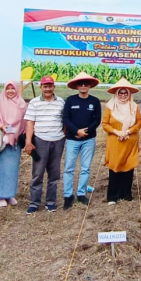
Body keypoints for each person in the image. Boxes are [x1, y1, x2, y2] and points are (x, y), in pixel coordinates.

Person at [24, 76, 66, 213]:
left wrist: (63, 136)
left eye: (50, 86)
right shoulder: (34, 103)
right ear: (41, 87)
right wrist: (28, 142)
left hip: (58, 140)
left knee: (54, 173)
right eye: (45, 86)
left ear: (54, 87)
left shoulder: (61, 102)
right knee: (38, 173)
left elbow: (64, 121)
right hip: (41, 140)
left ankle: (50, 202)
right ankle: (34, 203)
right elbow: (30, 123)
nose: (47, 89)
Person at [0, 80, 27, 207]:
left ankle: (9, 194)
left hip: (15, 142)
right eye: (8, 89)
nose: (10, 91)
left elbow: (25, 122)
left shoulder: (22, 104)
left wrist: (17, 134)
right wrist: (0, 126)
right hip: (1, 141)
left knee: (12, 169)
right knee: (0, 168)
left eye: (13, 88)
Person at [62, 72, 102, 210]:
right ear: (77, 86)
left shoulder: (95, 101)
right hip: (72, 139)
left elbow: (97, 120)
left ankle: (81, 193)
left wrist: (85, 132)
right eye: (81, 83)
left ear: (90, 86)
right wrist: (76, 131)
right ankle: (68, 195)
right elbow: (65, 118)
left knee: (85, 168)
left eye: (86, 83)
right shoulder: (70, 100)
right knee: (69, 168)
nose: (83, 86)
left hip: (89, 140)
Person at [102, 78, 141, 205]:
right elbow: (105, 124)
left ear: (129, 94)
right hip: (115, 141)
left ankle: (126, 194)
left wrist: (127, 132)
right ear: (116, 94)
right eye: (121, 93)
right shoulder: (110, 106)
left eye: (126, 93)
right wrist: (117, 132)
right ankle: (113, 196)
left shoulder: (134, 107)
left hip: (130, 140)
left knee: (128, 167)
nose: (123, 95)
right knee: (115, 167)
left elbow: (139, 122)